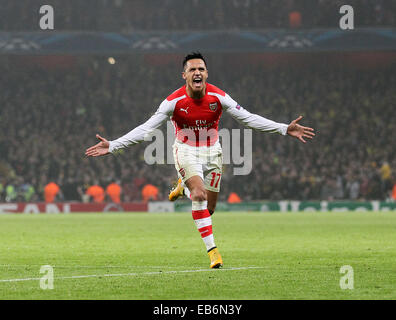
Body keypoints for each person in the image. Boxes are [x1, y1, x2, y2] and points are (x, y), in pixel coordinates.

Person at [85, 52, 315, 268]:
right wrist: (114, 145)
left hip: (213, 151)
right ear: (184, 75)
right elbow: (146, 129)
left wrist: (284, 129)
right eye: (192, 69)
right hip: (185, 151)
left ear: (206, 74)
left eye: (201, 69)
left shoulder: (219, 96)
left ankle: (182, 187)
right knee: (199, 195)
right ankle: (212, 251)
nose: (197, 72)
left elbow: (248, 119)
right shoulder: (172, 102)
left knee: (209, 208)